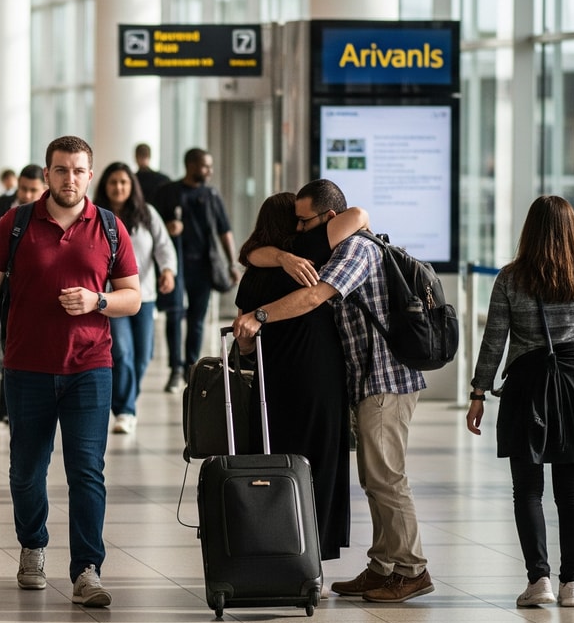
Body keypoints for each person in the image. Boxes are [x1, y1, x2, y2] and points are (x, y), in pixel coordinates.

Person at [233, 178, 434, 603]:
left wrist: (260, 315)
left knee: (386, 477)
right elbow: (250, 253)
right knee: (374, 477)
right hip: (364, 380)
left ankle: (411, 569)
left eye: (304, 221)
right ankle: (383, 566)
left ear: (328, 217)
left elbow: (313, 298)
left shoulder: (357, 250)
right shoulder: (332, 248)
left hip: (385, 379)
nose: (300, 229)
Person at [0, 136, 142, 608]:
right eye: (61, 170)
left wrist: (96, 300)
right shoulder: (16, 222)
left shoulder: (109, 227)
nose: (70, 179)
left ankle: (87, 568)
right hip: (27, 368)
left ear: (89, 174)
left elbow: (133, 297)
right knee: (27, 471)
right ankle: (33, 546)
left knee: (87, 472)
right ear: (47, 175)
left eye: (79, 170)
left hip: (90, 368)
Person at [467, 196, 574, 609]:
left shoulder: (510, 279)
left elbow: (493, 341)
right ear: (572, 231)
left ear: (529, 230)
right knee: (571, 492)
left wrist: (478, 392)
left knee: (527, 490)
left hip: (527, 388)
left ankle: (540, 581)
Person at [235, 194, 369, 561]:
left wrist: (276, 257)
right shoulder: (308, 250)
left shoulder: (254, 272)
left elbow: (245, 345)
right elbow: (357, 214)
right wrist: (287, 253)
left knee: (269, 462)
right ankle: (317, 556)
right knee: (321, 465)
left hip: (270, 380)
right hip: (318, 376)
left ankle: (269, 551)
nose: (301, 224)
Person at [93, 162, 175, 435]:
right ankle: (126, 410)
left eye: (124, 182)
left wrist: (168, 271)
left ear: (132, 187)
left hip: (144, 295)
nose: (118, 187)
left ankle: (124, 400)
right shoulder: (96, 216)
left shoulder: (146, 214)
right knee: (123, 353)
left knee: (143, 356)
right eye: (113, 182)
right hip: (111, 296)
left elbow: (164, 247)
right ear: (105, 186)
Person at [150, 148, 237, 394]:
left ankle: (191, 367)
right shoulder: (168, 192)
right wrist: (168, 227)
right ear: (190, 165)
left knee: (197, 320)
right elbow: (152, 225)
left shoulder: (211, 195)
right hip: (174, 266)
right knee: (174, 315)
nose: (209, 171)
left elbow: (224, 230)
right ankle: (175, 369)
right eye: (205, 166)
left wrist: (231, 263)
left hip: (203, 267)